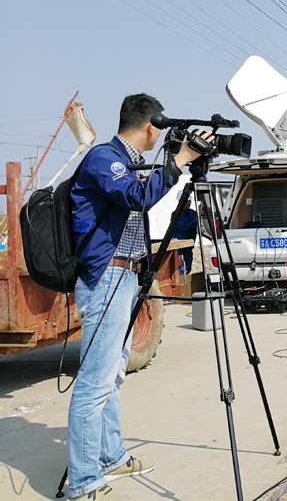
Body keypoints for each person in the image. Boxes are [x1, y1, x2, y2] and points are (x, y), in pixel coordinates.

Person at [67, 94, 209, 500]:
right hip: (106, 278)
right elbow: (137, 197)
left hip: (126, 277)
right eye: (159, 130)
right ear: (150, 126)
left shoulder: (128, 164)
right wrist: (180, 160)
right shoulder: (105, 158)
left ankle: (111, 456)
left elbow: (141, 199)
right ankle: (83, 479)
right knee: (95, 382)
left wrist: (179, 166)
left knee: (112, 377)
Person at [172, 195, 198, 274]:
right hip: (179, 246)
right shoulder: (176, 214)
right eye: (186, 201)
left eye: (189, 201)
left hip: (188, 245)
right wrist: (196, 219)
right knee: (177, 269)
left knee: (187, 268)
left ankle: (184, 277)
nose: (188, 203)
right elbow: (183, 227)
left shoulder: (192, 213)